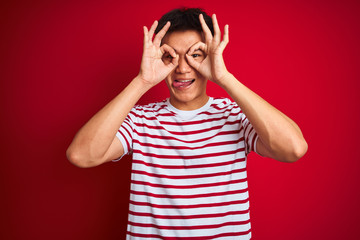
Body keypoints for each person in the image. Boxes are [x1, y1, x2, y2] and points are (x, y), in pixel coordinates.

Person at [67, 7, 308, 239]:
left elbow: (293, 149)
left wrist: (224, 77)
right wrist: (142, 81)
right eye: (169, 56)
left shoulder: (235, 116)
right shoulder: (140, 120)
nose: (182, 68)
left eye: (195, 55)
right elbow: (81, 155)